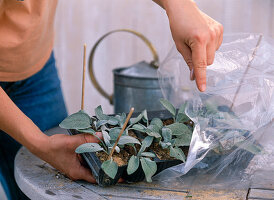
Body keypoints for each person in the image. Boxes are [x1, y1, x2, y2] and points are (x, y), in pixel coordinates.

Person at [0, 0, 223, 199]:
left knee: (58, 168)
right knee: (29, 182)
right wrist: (41, 144)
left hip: (34, 59)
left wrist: (179, 5)